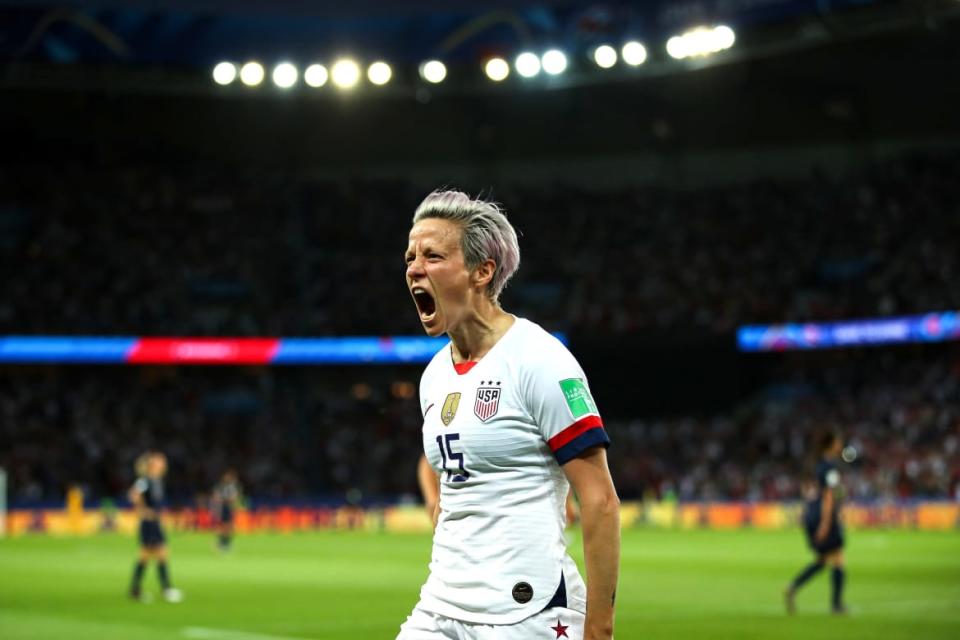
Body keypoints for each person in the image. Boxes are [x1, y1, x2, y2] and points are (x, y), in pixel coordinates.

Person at [398, 190, 620, 640]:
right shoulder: (433, 376)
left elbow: (599, 500)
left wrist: (599, 629)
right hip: (441, 605)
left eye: (433, 256)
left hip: (528, 612)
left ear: (483, 272)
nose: (414, 268)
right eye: (410, 257)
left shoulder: (540, 360)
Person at [785, 432, 848, 614]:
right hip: (823, 516)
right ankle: (837, 606)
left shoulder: (818, 466)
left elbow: (811, 491)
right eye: (838, 442)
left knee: (822, 561)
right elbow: (830, 495)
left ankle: (793, 587)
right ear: (830, 445)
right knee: (838, 559)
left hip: (812, 514)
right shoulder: (829, 468)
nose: (840, 445)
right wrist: (826, 523)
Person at [128, 451, 183, 603]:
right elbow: (133, 494)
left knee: (149, 555)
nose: (164, 463)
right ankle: (165, 589)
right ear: (153, 464)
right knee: (155, 554)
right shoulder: (145, 480)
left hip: (155, 522)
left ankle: (136, 590)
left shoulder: (157, 480)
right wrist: (143, 510)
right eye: (161, 461)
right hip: (148, 522)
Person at [211, 469, 242, 552]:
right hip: (222, 507)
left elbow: (235, 497)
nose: (227, 478)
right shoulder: (220, 486)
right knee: (223, 526)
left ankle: (226, 543)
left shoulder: (233, 486)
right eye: (226, 476)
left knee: (229, 526)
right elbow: (216, 497)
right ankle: (221, 543)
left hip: (229, 507)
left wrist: (234, 503)